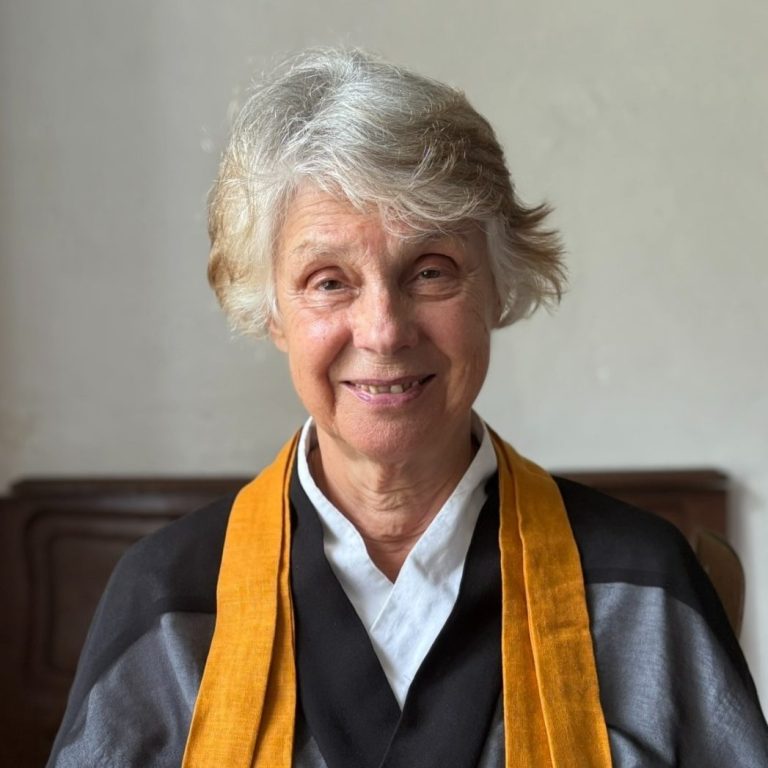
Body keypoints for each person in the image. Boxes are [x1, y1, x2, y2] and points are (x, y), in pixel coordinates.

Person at [48, 48, 768, 768]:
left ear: (499, 287)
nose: (384, 330)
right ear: (270, 311)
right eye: (329, 281)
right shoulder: (170, 600)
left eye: (430, 271)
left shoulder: (639, 586)